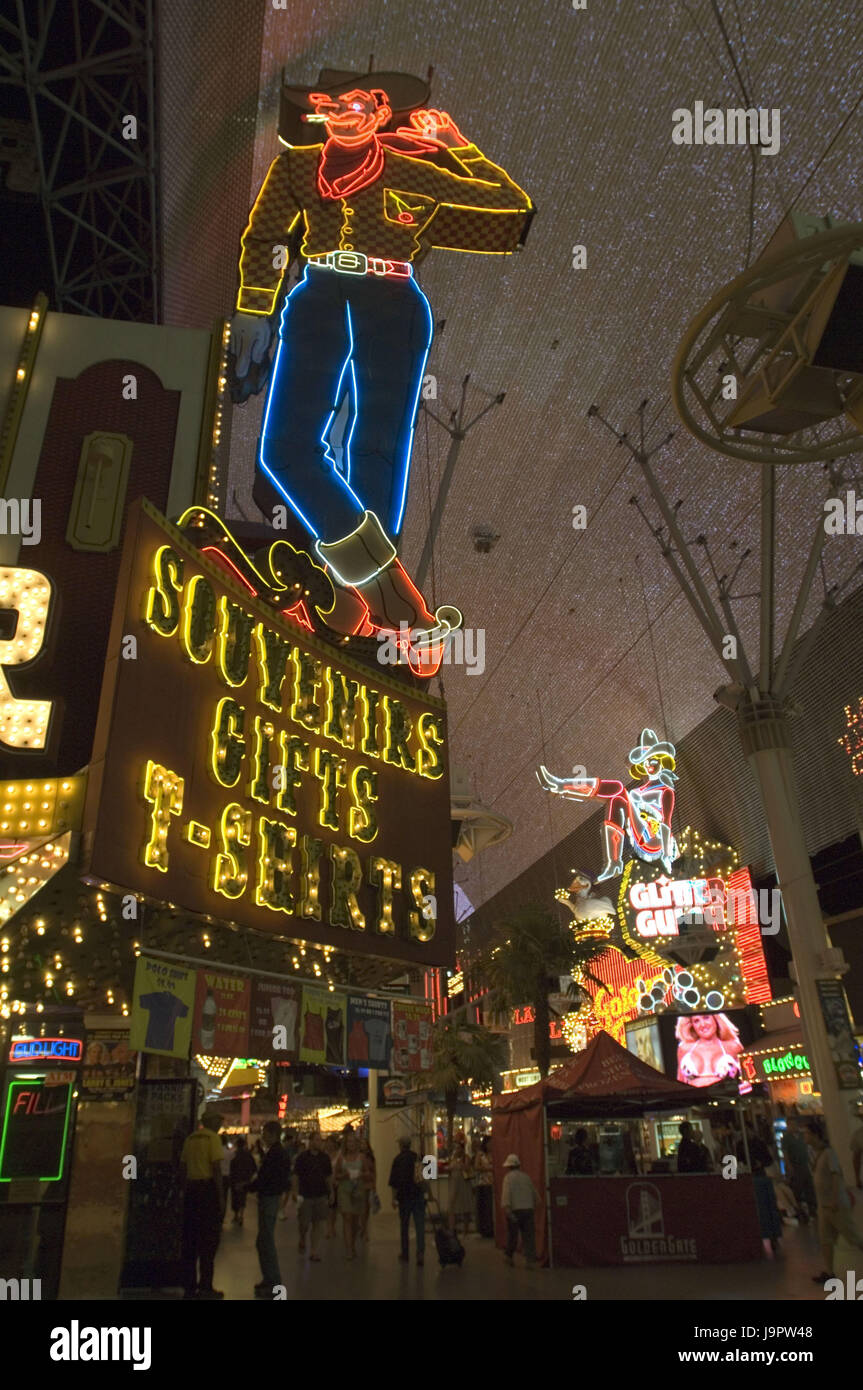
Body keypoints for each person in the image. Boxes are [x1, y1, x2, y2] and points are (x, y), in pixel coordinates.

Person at [230, 70, 533, 677]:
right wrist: (253, 307)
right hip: (317, 292)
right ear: (321, 114)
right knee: (286, 448)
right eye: (333, 104)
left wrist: (456, 144)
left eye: (359, 103)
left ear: (380, 113)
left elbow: (509, 207)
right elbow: (266, 237)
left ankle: (351, 598)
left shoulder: (409, 166)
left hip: (393, 299)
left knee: (378, 448)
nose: (345, 111)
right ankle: (391, 596)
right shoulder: (295, 167)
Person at [804, 1118, 863, 1281]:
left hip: (835, 1205)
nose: (805, 1137)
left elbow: (836, 1176)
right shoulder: (815, 1154)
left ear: (816, 1135)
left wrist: (835, 1200)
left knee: (853, 1237)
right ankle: (830, 1274)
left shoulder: (829, 1153)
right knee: (825, 1240)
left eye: (807, 1133)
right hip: (824, 1206)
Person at [179, 1111, 225, 1300]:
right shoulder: (213, 1139)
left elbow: (183, 1167)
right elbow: (216, 1169)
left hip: (191, 1192)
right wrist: (221, 1197)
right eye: (219, 1121)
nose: (220, 1125)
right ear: (212, 1122)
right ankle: (206, 1287)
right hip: (207, 1192)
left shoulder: (190, 1139)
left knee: (190, 1241)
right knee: (208, 1241)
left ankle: (189, 1288)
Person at [247, 1120, 292, 1298]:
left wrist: (249, 1187)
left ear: (273, 1134)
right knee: (263, 1240)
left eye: (265, 1133)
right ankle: (269, 1279)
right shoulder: (277, 1153)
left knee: (266, 1240)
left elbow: (266, 1177)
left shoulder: (275, 1154)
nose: (263, 1136)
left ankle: (273, 1281)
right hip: (270, 1197)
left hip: (269, 1198)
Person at [332, 1133, 373, 1260]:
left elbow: (368, 1173)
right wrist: (343, 1176)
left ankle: (353, 1244)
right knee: (347, 1217)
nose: (351, 1144)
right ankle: (348, 1249)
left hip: (358, 1190)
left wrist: (361, 1174)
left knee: (355, 1219)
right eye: (349, 1142)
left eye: (353, 1142)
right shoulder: (341, 1158)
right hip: (345, 1189)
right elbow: (336, 1175)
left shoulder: (362, 1158)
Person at [293, 1131, 332, 1261]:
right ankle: (302, 1237)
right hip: (306, 1195)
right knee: (304, 1223)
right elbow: (296, 1176)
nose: (319, 1142)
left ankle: (314, 1251)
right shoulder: (302, 1158)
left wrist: (331, 1192)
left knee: (318, 1223)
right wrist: (295, 1191)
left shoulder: (325, 1158)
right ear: (310, 1141)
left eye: (320, 1140)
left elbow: (328, 1176)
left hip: (320, 1194)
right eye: (316, 1140)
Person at [675, 1013, 744, 1087]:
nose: (702, 1024)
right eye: (696, 1021)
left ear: (716, 1019)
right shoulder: (684, 1049)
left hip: (724, 1097)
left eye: (706, 1018)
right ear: (692, 1025)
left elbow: (746, 1081)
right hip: (693, 1097)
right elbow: (680, 1083)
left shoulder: (733, 1046)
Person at [388, 1135, 425, 1266]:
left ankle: (405, 1253)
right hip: (417, 1195)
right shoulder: (417, 1158)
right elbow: (421, 1178)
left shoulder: (397, 1160)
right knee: (420, 1225)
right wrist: (429, 1194)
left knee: (404, 1226)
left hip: (404, 1197)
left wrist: (393, 1198)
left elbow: (394, 1182)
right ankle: (420, 1253)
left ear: (401, 1145)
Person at [501, 1153, 538, 1269]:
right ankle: (530, 1261)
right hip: (528, 1209)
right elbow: (535, 1195)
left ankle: (509, 1257)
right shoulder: (526, 1177)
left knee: (513, 1235)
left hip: (515, 1210)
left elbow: (506, 1196)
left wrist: (507, 1209)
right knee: (529, 1237)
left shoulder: (507, 1178)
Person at [783, 1118, 816, 1219]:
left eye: (795, 1124)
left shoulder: (802, 1136)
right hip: (795, 1166)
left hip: (805, 1164)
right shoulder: (786, 1138)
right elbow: (785, 1153)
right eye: (791, 1125)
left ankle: (812, 1209)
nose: (793, 1126)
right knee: (798, 1188)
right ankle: (800, 1211)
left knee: (809, 1187)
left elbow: (808, 1150)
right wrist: (789, 1166)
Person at [229, 1137, 257, 1227]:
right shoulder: (248, 1155)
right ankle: (241, 1215)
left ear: (237, 1145)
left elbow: (231, 1168)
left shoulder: (234, 1155)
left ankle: (236, 1215)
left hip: (235, 1180)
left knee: (235, 1198)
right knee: (242, 1198)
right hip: (245, 1180)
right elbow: (254, 1168)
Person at [448, 1138, 473, 1236]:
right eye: (455, 1148)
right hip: (454, 1184)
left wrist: (460, 1164)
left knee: (465, 1206)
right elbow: (450, 1168)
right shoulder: (453, 1157)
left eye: (458, 1148)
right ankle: (452, 1229)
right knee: (452, 1206)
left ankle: (465, 1230)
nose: (456, 1150)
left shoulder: (466, 1157)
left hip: (464, 1184)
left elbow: (467, 1168)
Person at [472, 1137, 494, 1237]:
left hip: (493, 1182)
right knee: (485, 1207)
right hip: (483, 1183)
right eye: (489, 1143)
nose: (491, 1145)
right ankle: (485, 1229)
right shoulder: (480, 1154)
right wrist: (486, 1168)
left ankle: (492, 1228)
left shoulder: (495, 1153)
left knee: (491, 1208)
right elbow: (476, 1167)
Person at [358, 1138, 377, 1241]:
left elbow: (374, 1171)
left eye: (364, 1144)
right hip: (360, 1184)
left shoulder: (370, 1157)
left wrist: (374, 1185)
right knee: (362, 1207)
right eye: (361, 1144)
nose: (363, 1146)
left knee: (366, 1208)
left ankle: (364, 1228)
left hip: (368, 1184)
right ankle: (363, 1229)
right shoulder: (358, 1157)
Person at [324, 1137, 340, 1238]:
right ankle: (329, 1228)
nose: (329, 1145)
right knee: (328, 1207)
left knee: (334, 1207)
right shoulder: (324, 1155)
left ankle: (332, 1226)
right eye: (328, 1143)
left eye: (331, 1143)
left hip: (336, 1183)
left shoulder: (339, 1155)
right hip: (325, 1184)